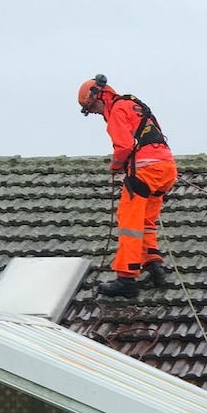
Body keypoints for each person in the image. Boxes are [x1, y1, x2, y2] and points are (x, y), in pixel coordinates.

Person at [78, 74, 178, 298]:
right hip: (166, 169)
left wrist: (115, 166)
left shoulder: (116, 110)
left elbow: (123, 146)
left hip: (145, 171)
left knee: (129, 223)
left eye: (93, 107)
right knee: (146, 222)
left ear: (100, 97)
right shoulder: (136, 105)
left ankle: (126, 278)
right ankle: (153, 266)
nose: (95, 112)